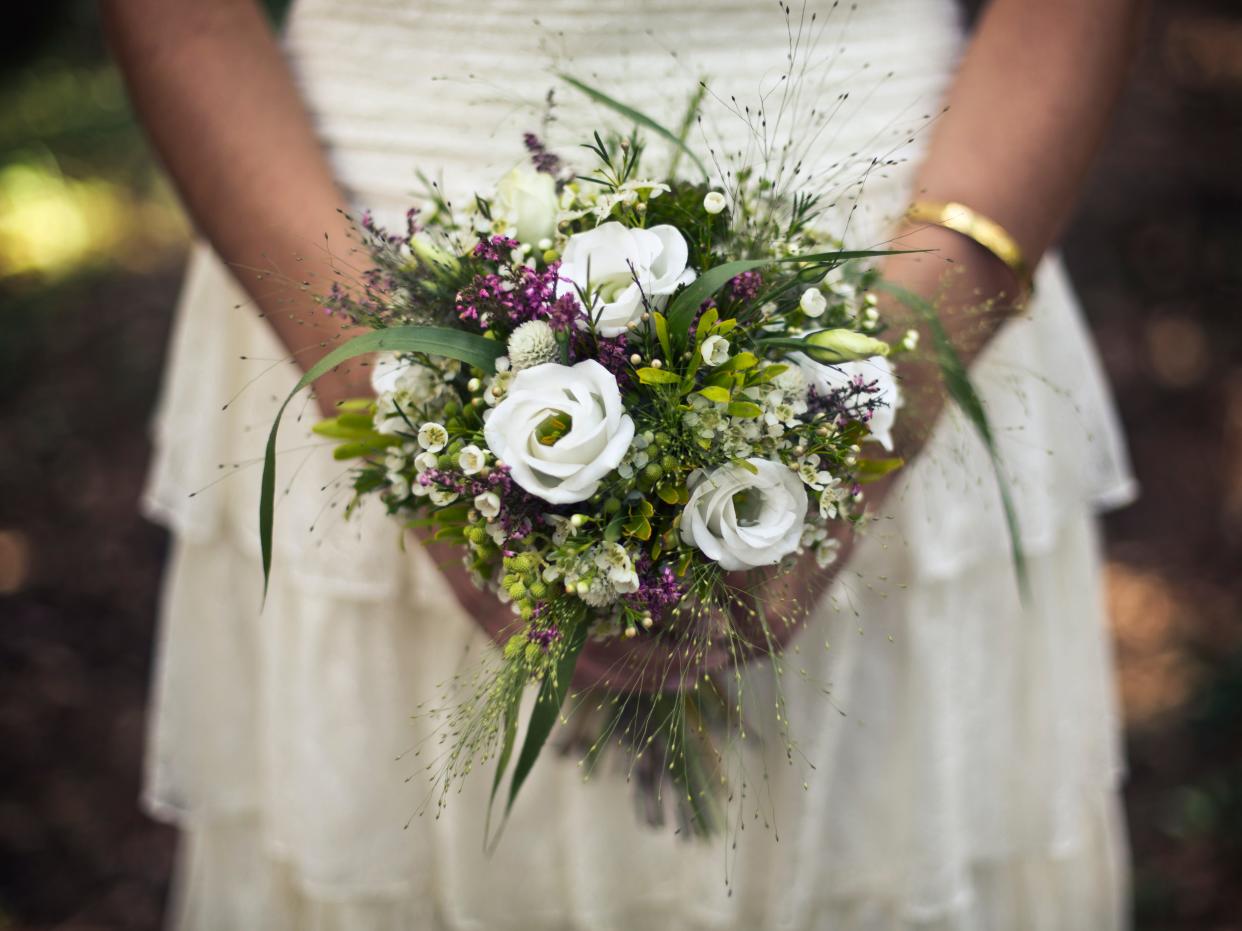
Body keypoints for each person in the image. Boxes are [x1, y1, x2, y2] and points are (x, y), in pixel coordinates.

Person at [103, 0, 1143, 927]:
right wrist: (397, 415)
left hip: (896, 269)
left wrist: (878, 410)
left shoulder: (887, 368)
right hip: (341, 261)